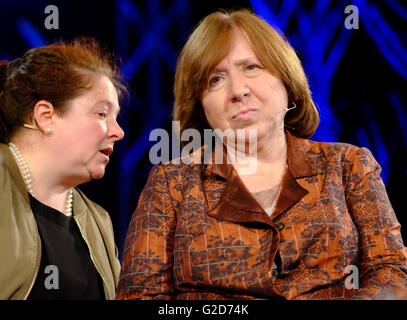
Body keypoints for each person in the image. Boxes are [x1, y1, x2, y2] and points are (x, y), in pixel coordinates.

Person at [116, 9, 407, 300]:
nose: (238, 90)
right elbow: (141, 295)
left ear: (286, 80)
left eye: (251, 67)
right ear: (200, 105)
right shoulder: (172, 183)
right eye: (215, 79)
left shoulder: (348, 166)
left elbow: (391, 273)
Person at [0, 38, 125, 300]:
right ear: (46, 116)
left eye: (116, 117)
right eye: (102, 114)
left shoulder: (98, 221)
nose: (118, 132)